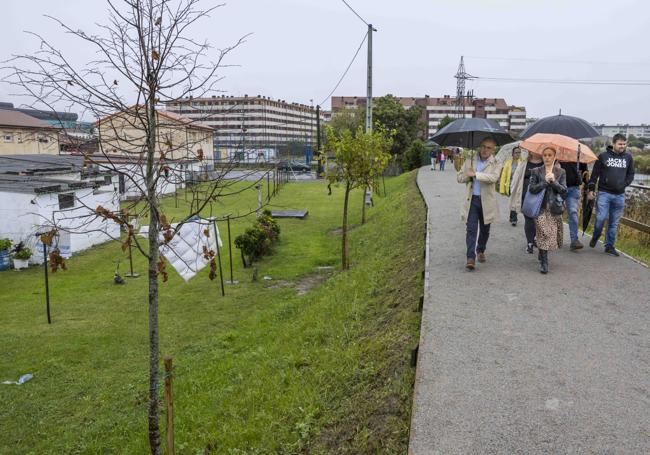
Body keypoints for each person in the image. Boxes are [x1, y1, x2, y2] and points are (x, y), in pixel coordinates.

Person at [457, 137, 502, 270]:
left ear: (493, 150)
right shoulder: (470, 160)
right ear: (479, 146)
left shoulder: (496, 162)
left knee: (485, 229)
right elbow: (459, 178)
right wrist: (468, 174)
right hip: (472, 200)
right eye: (483, 146)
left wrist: (476, 174)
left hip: (487, 201)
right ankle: (470, 258)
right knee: (471, 229)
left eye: (488, 147)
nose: (485, 150)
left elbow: (493, 178)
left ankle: (480, 250)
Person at [587, 134, 635, 256]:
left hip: (619, 195)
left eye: (624, 144)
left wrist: (623, 185)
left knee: (614, 223)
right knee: (600, 218)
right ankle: (596, 235)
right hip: (604, 193)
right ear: (613, 143)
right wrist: (591, 189)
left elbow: (631, 174)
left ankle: (609, 246)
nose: (622, 146)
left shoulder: (628, 158)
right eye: (620, 144)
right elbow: (594, 175)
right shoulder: (603, 156)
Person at [528, 146, 567, 274]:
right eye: (545, 155)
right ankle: (544, 263)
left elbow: (564, 190)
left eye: (550, 155)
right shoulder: (536, 171)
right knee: (544, 233)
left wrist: (554, 181)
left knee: (549, 235)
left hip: (554, 208)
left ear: (554, 157)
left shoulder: (561, 172)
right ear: (542, 157)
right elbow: (532, 189)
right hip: (539, 208)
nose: (547, 158)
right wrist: (545, 182)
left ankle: (542, 252)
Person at [509, 151, 544, 253]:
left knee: (539, 219)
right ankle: (530, 243)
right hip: (526, 196)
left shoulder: (545, 163)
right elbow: (516, 178)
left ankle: (536, 238)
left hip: (541, 196)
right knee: (529, 219)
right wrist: (513, 191)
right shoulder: (524, 163)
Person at [560, 159, 588, 250]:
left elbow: (585, 174)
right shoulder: (558, 153)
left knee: (573, 213)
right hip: (557, 188)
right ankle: (550, 237)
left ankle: (574, 241)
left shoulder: (580, 156)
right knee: (554, 213)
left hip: (573, 188)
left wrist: (588, 185)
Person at [499, 147, 523, 226]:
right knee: (513, 200)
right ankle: (512, 217)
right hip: (509, 185)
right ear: (512, 154)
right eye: (516, 152)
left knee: (515, 201)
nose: (518, 154)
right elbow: (504, 176)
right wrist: (502, 189)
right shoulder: (508, 163)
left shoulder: (522, 162)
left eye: (519, 152)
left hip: (518, 185)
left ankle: (513, 219)